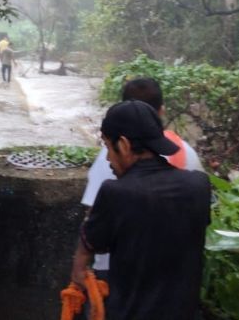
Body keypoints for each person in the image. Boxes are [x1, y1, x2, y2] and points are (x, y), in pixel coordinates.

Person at [71, 100, 212, 320]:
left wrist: (79, 268)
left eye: (108, 147)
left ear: (124, 145)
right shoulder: (199, 185)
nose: (108, 158)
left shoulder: (116, 193)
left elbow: (93, 242)